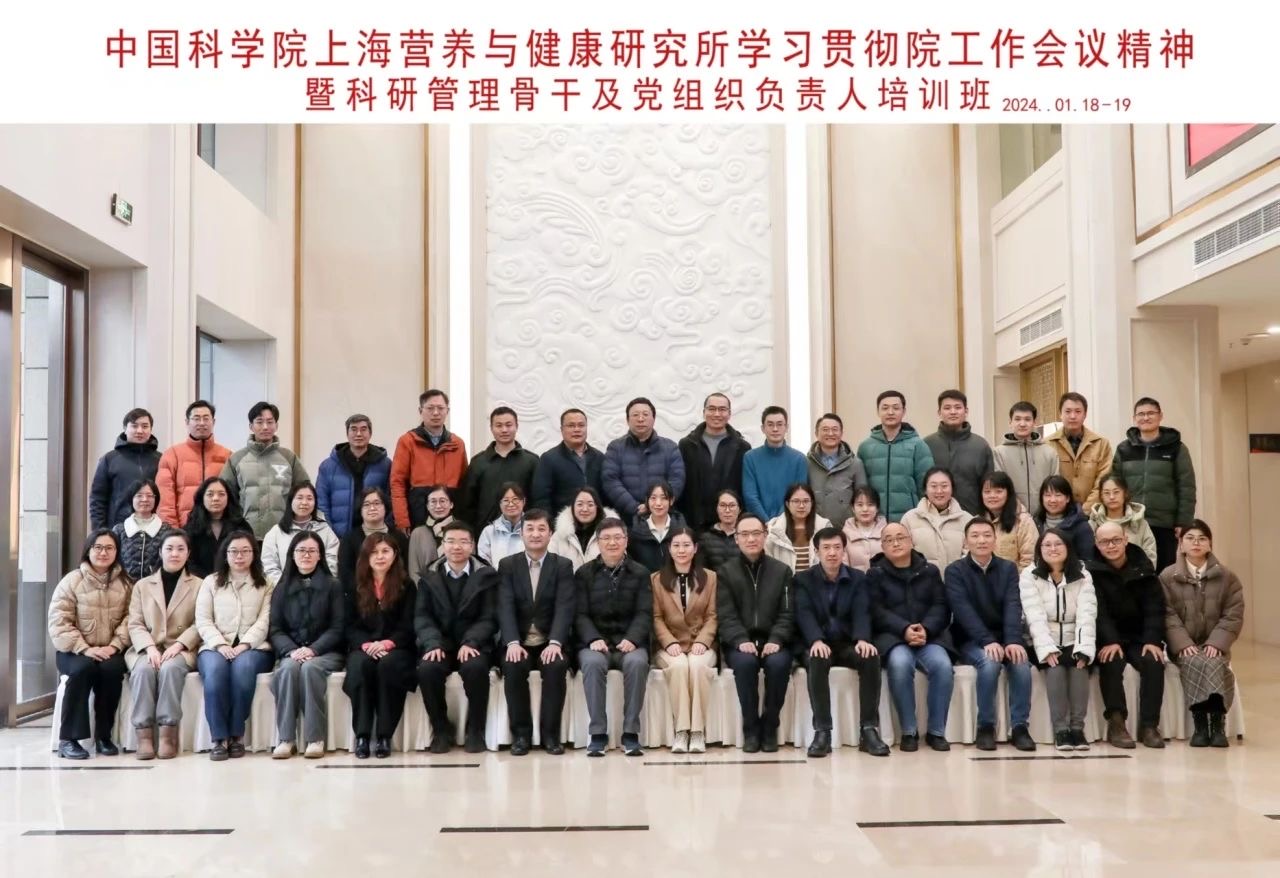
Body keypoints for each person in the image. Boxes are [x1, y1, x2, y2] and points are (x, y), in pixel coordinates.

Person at [795, 528, 890, 758]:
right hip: (818, 643)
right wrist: (815, 639)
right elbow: (803, 613)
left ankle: (868, 730)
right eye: (826, 548)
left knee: (870, 656)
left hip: (847, 642)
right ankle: (822, 732)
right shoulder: (803, 579)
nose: (832, 553)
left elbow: (862, 610)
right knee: (817, 658)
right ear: (816, 551)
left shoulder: (858, 578)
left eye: (837, 547)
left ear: (844, 551)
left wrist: (862, 638)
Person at [944, 518, 1035, 752]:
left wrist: (1013, 640)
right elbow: (963, 611)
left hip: (1004, 635)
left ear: (995, 540)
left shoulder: (1008, 568)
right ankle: (985, 726)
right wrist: (987, 641)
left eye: (987, 535)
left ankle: (1020, 727)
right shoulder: (955, 571)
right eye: (975, 536)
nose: (981, 540)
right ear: (966, 542)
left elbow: (1013, 605)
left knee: (1021, 662)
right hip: (970, 638)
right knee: (990, 662)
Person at [867, 523, 955, 752]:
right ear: (882, 546)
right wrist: (904, 629)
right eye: (889, 540)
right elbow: (876, 611)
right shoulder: (875, 574)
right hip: (893, 637)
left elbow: (941, 606)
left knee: (943, 665)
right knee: (899, 663)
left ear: (911, 541)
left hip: (929, 636)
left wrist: (926, 628)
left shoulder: (930, 570)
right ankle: (909, 731)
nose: (895, 543)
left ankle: (936, 732)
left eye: (900, 537)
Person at [415, 521, 499, 754]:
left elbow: (489, 617)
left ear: (472, 545)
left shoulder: (486, 576)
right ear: (443, 545)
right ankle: (441, 729)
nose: (456, 547)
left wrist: (471, 641)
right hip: (440, 643)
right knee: (427, 669)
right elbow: (422, 616)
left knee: (475, 668)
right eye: (450, 541)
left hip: (474, 644)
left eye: (463, 542)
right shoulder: (429, 577)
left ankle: (475, 729)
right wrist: (432, 643)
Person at [48, 530, 131, 760]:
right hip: (74, 650)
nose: (103, 553)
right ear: (88, 550)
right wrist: (85, 649)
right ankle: (69, 740)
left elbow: (131, 619)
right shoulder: (71, 581)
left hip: (110, 649)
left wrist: (114, 646)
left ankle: (104, 736)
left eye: (109, 548)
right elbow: (59, 622)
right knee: (82, 669)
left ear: (117, 552)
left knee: (111, 670)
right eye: (98, 547)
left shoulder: (125, 583)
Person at [1160, 520, 1244, 748]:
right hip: (1183, 645)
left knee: (1214, 661)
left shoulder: (1227, 577)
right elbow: (1167, 615)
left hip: (1215, 644)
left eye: (1202, 538)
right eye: (1190, 538)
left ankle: (1216, 723)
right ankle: (1200, 724)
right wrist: (1182, 643)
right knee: (1193, 660)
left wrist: (1216, 643)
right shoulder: (1167, 576)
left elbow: (1233, 615)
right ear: (1181, 544)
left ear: (1210, 544)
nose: (1196, 543)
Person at [499, 510, 576, 755]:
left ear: (550, 533)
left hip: (549, 640)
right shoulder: (508, 565)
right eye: (530, 529)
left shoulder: (562, 565)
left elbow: (564, 606)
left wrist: (555, 642)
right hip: (519, 640)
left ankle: (550, 735)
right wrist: (512, 642)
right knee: (512, 667)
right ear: (521, 534)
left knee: (556, 666)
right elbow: (505, 606)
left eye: (541, 529)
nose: (535, 534)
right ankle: (521, 735)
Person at [717, 513, 794, 753]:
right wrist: (740, 640)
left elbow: (788, 612)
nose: (751, 539)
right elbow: (726, 614)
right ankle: (750, 728)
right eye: (745, 534)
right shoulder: (725, 572)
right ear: (736, 538)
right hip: (740, 642)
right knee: (745, 664)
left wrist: (777, 639)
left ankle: (770, 726)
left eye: (756, 533)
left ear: (765, 535)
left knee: (779, 664)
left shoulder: (782, 571)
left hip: (774, 640)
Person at [195, 531, 275, 761]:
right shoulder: (211, 582)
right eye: (234, 551)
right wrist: (220, 644)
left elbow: (265, 620)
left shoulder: (266, 583)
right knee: (215, 672)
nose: (239, 556)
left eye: (245, 551)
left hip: (254, 647)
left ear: (254, 554)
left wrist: (245, 645)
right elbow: (203, 619)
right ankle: (219, 738)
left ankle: (236, 734)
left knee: (243, 669)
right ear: (225, 554)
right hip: (214, 646)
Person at [574, 518, 652, 756]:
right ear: (597, 543)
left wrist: (633, 638)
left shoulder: (640, 573)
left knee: (637, 663)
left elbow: (644, 612)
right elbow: (579, 614)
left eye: (618, 537)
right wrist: (592, 638)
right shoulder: (584, 573)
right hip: (596, 643)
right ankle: (598, 733)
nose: (612, 543)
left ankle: (630, 733)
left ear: (626, 541)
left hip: (629, 642)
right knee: (592, 663)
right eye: (606, 538)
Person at [267, 531, 346, 759]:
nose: (306, 555)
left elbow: (338, 627)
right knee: (287, 669)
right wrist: (292, 650)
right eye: (301, 550)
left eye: (312, 551)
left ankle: (315, 739)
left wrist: (313, 649)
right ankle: (286, 739)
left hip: (326, 652)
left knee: (310, 668)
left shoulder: (333, 586)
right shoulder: (281, 588)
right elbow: (275, 628)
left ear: (320, 555)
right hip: (292, 651)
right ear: (292, 555)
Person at [1089, 523, 1167, 750]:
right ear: (1097, 544)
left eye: (1116, 540)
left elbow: (1155, 608)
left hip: (1139, 635)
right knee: (1110, 660)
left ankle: (1149, 726)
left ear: (1125, 540)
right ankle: (1117, 723)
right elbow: (1098, 612)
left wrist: (1152, 640)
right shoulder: (1091, 571)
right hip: (1108, 637)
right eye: (1104, 542)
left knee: (1153, 661)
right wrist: (1110, 640)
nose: (1111, 546)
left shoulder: (1143, 567)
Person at [126, 531, 202, 760]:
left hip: (181, 648)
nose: (174, 554)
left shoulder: (199, 585)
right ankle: (144, 735)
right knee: (143, 670)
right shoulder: (142, 585)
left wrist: (179, 645)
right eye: (169, 548)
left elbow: (201, 622)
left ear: (188, 553)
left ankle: (168, 734)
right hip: (147, 647)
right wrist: (149, 647)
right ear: (160, 552)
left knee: (170, 669)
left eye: (180, 549)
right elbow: (135, 622)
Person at [1019, 528, 1097, 751]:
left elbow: (1087, 614)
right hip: (1042, 636)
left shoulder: (1082, 574)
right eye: (1047, 545)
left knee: (1079, 666)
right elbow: (1034, 615)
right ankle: (1061, 730)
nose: (1053, 549)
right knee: (1055, 668)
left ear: (1068, 547)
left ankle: (1077, 728)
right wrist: (1046, 648)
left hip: (1075, 634)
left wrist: (1083, 648)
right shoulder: (1029, 575)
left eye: (1058, 544)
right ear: (1039, 549)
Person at [343, 533, 418, 759]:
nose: (380, 556)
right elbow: (348, 625)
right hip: (363, 647)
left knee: (388, 667)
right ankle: (363, 736)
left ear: (395, 555)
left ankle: (385, 735)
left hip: (398, 647)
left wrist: (388, 642)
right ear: (365, 556)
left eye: (385, 551)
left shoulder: (407, 586)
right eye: (374, 552)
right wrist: (366, 644)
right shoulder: (354, 586)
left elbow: (409, 624)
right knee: (360, 667)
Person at [652, 528, 718, 754]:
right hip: (669, 645)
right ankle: (681, 731)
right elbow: (656, 617)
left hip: (701, 643)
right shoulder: (656, 579)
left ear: (695, 548)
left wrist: (703, 640)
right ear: (669, 549)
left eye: (687, 545)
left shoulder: (710, 578)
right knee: (679, 665)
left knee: (697, 666)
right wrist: (669, 642)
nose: (682, 550)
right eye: (676, 545)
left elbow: (713, 615)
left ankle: (697, 731)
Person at [1113, 397, 1198, 573]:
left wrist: (1183, 522)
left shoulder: (1177, 448)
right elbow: (1114, 484)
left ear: (1160, 416)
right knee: (1131, 572)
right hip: (1131, 522)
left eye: (1151, 413)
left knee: (1163, 573)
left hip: (1164, 524)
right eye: (1141, 414)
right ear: (1134, 418)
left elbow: (1186, 487)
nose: (1146, 417)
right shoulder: (1124, 449)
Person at [220, 402, 310, 540]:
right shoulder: (237, 459)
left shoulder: (289, 457)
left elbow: (305, 491)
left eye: (270, 422)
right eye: (259, 422)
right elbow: (224, 494)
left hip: (284, 534)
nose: (265, 427)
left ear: (276, 426)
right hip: (247, 535)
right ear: (251, 426)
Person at [391, 389, 469, 531]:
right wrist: (402, 520)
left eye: (440, 408)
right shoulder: (407, 441)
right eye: (430, 408)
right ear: (420, 411)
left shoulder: (457, 444)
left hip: (451, 519)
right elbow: (397, 483)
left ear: (447, 411)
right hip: (417, 516)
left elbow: (464, 485)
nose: (436, 413)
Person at [602, 397, 685, 525]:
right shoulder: (616, 447)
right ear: (627, 420)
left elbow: (677, 480)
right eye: (635, 415)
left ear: (654, 419)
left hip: (663, 519)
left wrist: (656, 504)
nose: (640, 419)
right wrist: (635, 507)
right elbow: (610, 481)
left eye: (645, 414)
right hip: (626, 519)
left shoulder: (670, 447)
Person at [857, 390, 934, 523]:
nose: (890, 412)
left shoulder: (918, 445)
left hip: (909, 520)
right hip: (874, 521)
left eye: (896, 408)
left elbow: (927, 486)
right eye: (885, 408)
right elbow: (861, 488)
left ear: (904, 411)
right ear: (878, 412)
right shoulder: (865, 447)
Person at [677, 392, 751, 532]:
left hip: (729, 525)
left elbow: (744, 487)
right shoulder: (687, 445)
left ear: (729, 414)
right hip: (693, 521)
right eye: (711, 409)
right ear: (704, 412)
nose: (717, 414)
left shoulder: (742, 447)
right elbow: (682, 484)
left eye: (722, 409)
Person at [461, 406, 540, 530]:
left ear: (516, 426)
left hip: (523, 531)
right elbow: (467, 503)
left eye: (509, 425)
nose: (504, 430)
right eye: (499, 425)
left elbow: (538, 500)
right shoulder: (478, 462)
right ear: (491, 428)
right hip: (485, 531)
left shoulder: (531, 461)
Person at [315, 413, 394, 538]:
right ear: (347, 433)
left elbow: (392, 499)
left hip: (375, 535)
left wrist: (384, 529)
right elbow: (322, 504)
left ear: (370, 433)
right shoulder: (328, 466)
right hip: (339, 536)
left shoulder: (385, 464)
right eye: (353, 429)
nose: (358, 434)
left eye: (363, 429)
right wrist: (330, 534)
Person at [157, 400, 232, 528]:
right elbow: (165, 500)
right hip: (184, 528)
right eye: (196, 418)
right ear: (187, 422)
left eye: (206, 418)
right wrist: (173, 531)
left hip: (219, 529)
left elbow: (233, 497)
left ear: (213, 422)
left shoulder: (227, 455)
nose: (201, 423)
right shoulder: (172, 455)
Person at [924, 390, 994, 515]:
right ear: (939, 412)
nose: (953, 412)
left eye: (958, 407)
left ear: (966, 411)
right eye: (947, 408)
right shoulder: (927, 444)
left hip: (971, 516)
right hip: (932, 516)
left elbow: (988, 485)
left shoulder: (980, 446)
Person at [90, 407, 161, 530]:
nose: (140, 431)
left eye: (145, 426)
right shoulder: (109, 459)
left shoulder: (161, 459)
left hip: (153, 528)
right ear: (125, 428)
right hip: (117, 528)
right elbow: (97, 499)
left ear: (151, 429)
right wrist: (100, 531)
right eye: (134, 426)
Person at [531, 408, 606, 520]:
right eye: (571, 426)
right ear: (562, 430)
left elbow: (606, 494)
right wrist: (550, 524)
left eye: (581, 425)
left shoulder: (599, 457)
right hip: (563, 524)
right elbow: (541, 498)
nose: (577, 429)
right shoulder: (549, 459)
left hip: (596, 523)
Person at [260, 482, 340, 584]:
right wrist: (285, 586)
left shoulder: (325, 531)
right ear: (291, 501)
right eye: (300, 498)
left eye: (309, 498)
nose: (304, 502)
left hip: (319, 589)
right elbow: (269, 566)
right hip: (285, 589)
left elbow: (332, 562)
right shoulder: (276, 532)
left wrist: (315, 585)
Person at [1046, 392, 1113, 511]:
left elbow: (1104, 481)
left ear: (1085, 414)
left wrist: (1085, 510)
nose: (1072, 416)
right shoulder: (1047, 444)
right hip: (1058, 512)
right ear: (1060, 414)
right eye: (1068, 411)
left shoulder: (1101, 444)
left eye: (1078, 411)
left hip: (1093, 512)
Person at [993, 401, 1059, 517]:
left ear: (1034, 422)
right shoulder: (998, 453)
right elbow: (999, 487)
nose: (1022, 424)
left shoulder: (1050, 453)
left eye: (1027, 419)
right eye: (1017, 419)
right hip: (1012, 516)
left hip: (1044, 517)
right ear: (1010, 422)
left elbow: (1056, 486)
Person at [742, 406, 808, 521]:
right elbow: (750, 496)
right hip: (758, 523)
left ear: (786, 427)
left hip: (789, 523)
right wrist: (766, 522)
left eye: (780, 424)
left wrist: (779, 522)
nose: (775, 429)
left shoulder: (799, 459)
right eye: (770, 424)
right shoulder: (750, 458)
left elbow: (798, 496)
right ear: (763, 428)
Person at [899, 467, 969, 570]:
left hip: (957, 578)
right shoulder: (909, 518)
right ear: (925, 489)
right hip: (921, 579)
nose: (939, 491)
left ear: (952, 488)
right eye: (933, 486)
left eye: (944, 486)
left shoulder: (967, 519)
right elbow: (904, 555)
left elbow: (971, 555)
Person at [338, 487, 409, 588]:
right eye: (366, 504)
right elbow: (345, 574)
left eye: (377, 503)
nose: (372, 508)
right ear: (360, 509)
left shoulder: (399, 538)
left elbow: (405, 569)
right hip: (360, 592)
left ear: (385, 507)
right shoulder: (349, 539)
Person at [807, 412, 867, 529]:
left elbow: (862, 498)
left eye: (835, 429)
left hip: (846, 529)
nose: (830, 433)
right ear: (816, 434)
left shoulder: (855, 464)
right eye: (825, 429)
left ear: (841, 433)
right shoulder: (807, 463)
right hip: (815, 528)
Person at [185, 477, 250, 578]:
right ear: (202, 498)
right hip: (201, 583)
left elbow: (250, 556)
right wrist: (209, 582)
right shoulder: (191, 528)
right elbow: (189, 562)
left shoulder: (241, 526)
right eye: (210, 494)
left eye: (221, 494)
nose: (216, 498)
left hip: (236, 580)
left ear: (228, 497)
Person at [112, 479, 176, 581]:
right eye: (139, 495)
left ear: (156, 499)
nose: (145, 499)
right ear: (131, 498)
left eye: (150, 496)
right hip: (124, 586)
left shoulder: (166, 530)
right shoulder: (119, 530)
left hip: (156, 586)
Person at [1089, 474, 1158, 568]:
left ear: (1125, 493)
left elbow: (1150, 556)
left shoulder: (1140, 523)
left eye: (1116, 492)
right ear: (1101, 496)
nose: (1112, 497)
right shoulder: (1093, 524)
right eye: (1106, 493)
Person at [548, 487, 618, 572]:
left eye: (590, 505)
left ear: (597, 507)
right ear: (573, 507)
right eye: (580, 504)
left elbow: (619, 566)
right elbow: (550, 567)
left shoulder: (612, 534)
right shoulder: (559, 536)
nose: (585, 509)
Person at [764, 483, 829, 573]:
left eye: (806, 501)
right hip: (784, 580)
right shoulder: (774, 529)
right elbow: (768, 564)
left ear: (812, 503)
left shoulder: (824, 526)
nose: (801, 506)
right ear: (787, 504)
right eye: (796, 501)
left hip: (817, 580)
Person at [979, 471, 1038, 571]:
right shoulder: (976, 522)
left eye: (998, 491)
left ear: (1008, 493)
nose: (992, 496)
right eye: (987, 492)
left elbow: (1029, 561)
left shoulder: (1023, 522)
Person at [627, 480, 687, 573]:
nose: (658, 503)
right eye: (653, 498)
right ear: (647, 501)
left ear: (671, 501)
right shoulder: (635, 531)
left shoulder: (683, 530)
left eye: (664, 498)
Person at [1034, 474, 1096, 562]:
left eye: (1058, 495)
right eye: (1048, 495)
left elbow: (1088, 560)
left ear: (1068, 498)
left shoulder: (1081, 526)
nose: (1052, 500)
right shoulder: (1035, 522)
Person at [406, 485, 451, 582]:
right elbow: (414, 569)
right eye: (433, 501)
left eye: (442, 501)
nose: (438, 506)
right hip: (425, 588)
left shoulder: (462, 531)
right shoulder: (418, 533)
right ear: (427, 506)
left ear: (451, 504)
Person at [477, 482, 527, 566]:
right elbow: (483, 562)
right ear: (500, 504)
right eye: (506, 500)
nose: (511, 504)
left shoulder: (533, 530)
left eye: (515, 499)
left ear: (524, 501)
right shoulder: (489, 532)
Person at [843, 485, 886, 572]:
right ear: (853, 508)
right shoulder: (844, 535)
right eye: (860, 505)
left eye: (870, 505)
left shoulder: (887, 532)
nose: (865, 509)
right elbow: (844, 568)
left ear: (877, 508)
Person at [697, 489, 742, 573]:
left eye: (732, 505)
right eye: (722, 505)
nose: (727, 510)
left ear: (739, 509)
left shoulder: (745, 536)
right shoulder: (705, 538)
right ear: (716, 509)